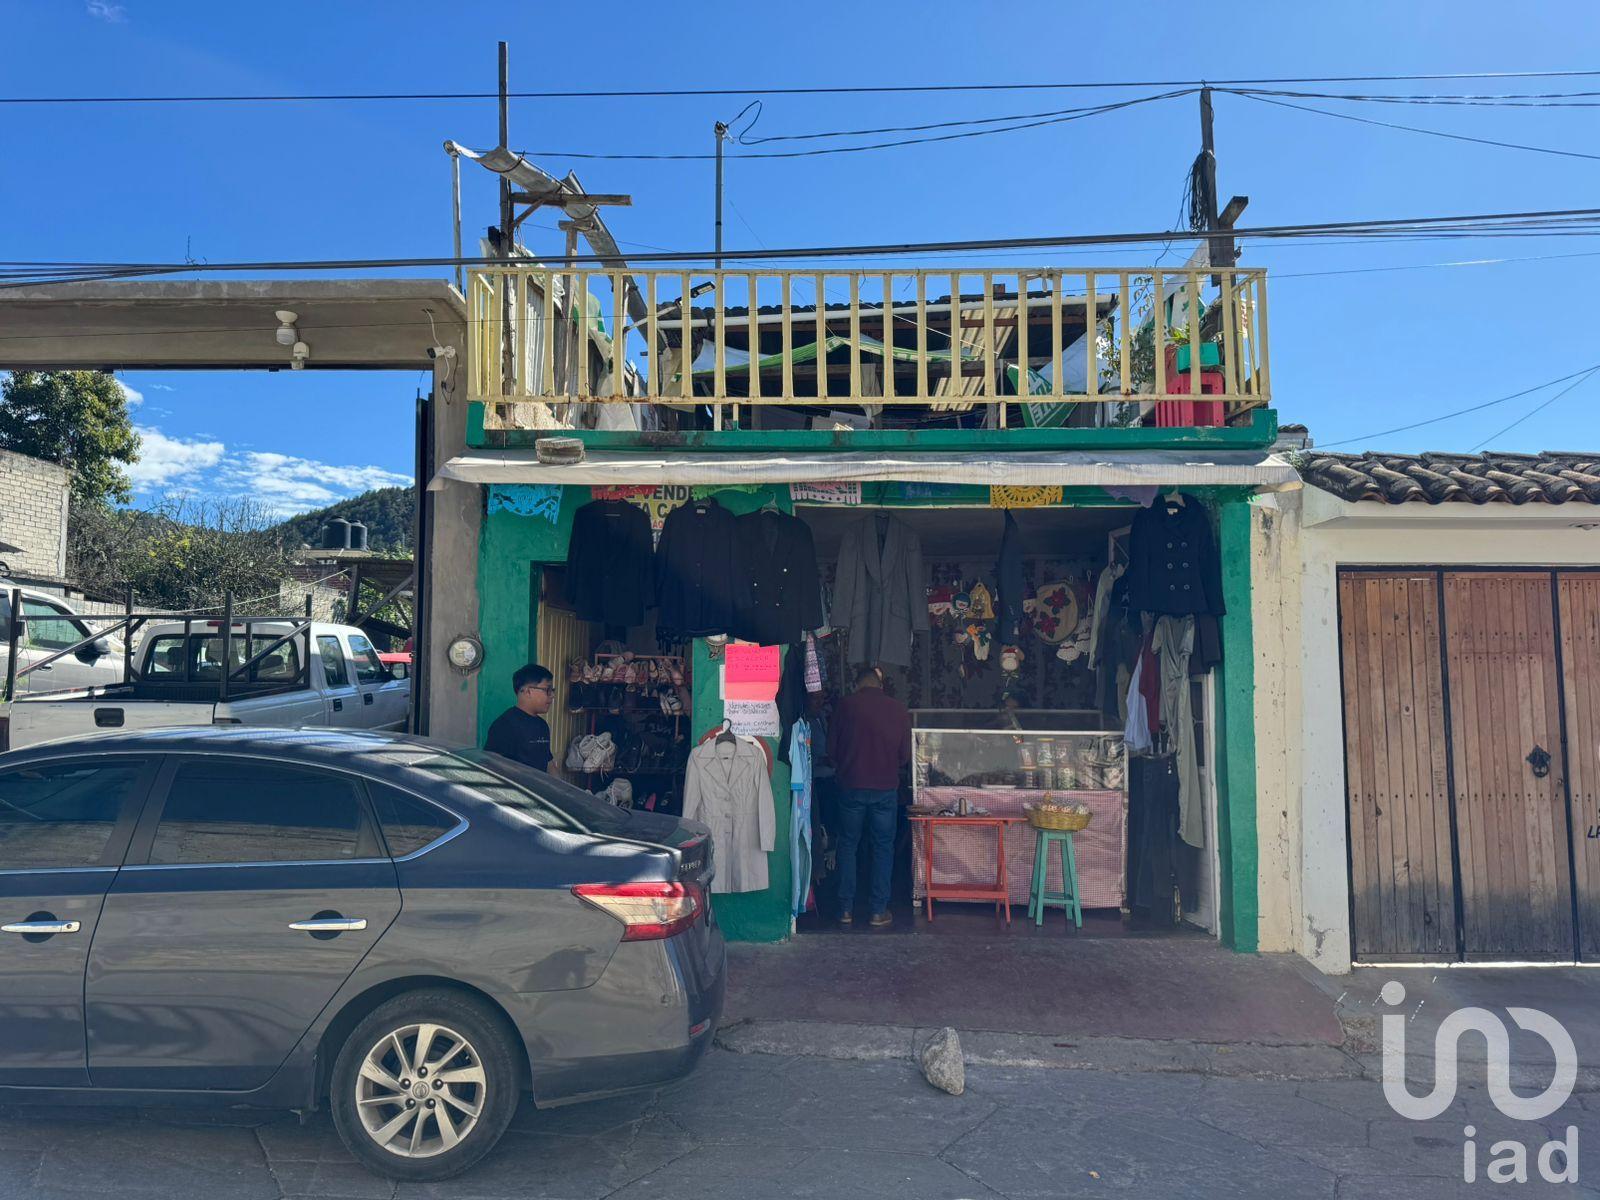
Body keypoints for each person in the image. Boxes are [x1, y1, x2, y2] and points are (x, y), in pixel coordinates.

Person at [829, 664, 912, 927]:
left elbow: (831, 751)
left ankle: (845, 909)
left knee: (847, 845)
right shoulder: (898, 709)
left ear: (858, 684)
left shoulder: (845, 706)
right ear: (880, 685)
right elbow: (905, 757)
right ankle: (877, 910)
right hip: (885, 790)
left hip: (851, 787)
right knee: (883, 848)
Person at [484, 663, 555, 772]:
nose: (552, 695)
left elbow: (549, 764)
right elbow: (492, 767)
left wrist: (564, 789)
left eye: (552, 690)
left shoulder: (542, 725)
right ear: (528, 691)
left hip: (536, 789)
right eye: (547, 690)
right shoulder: (504, 725)